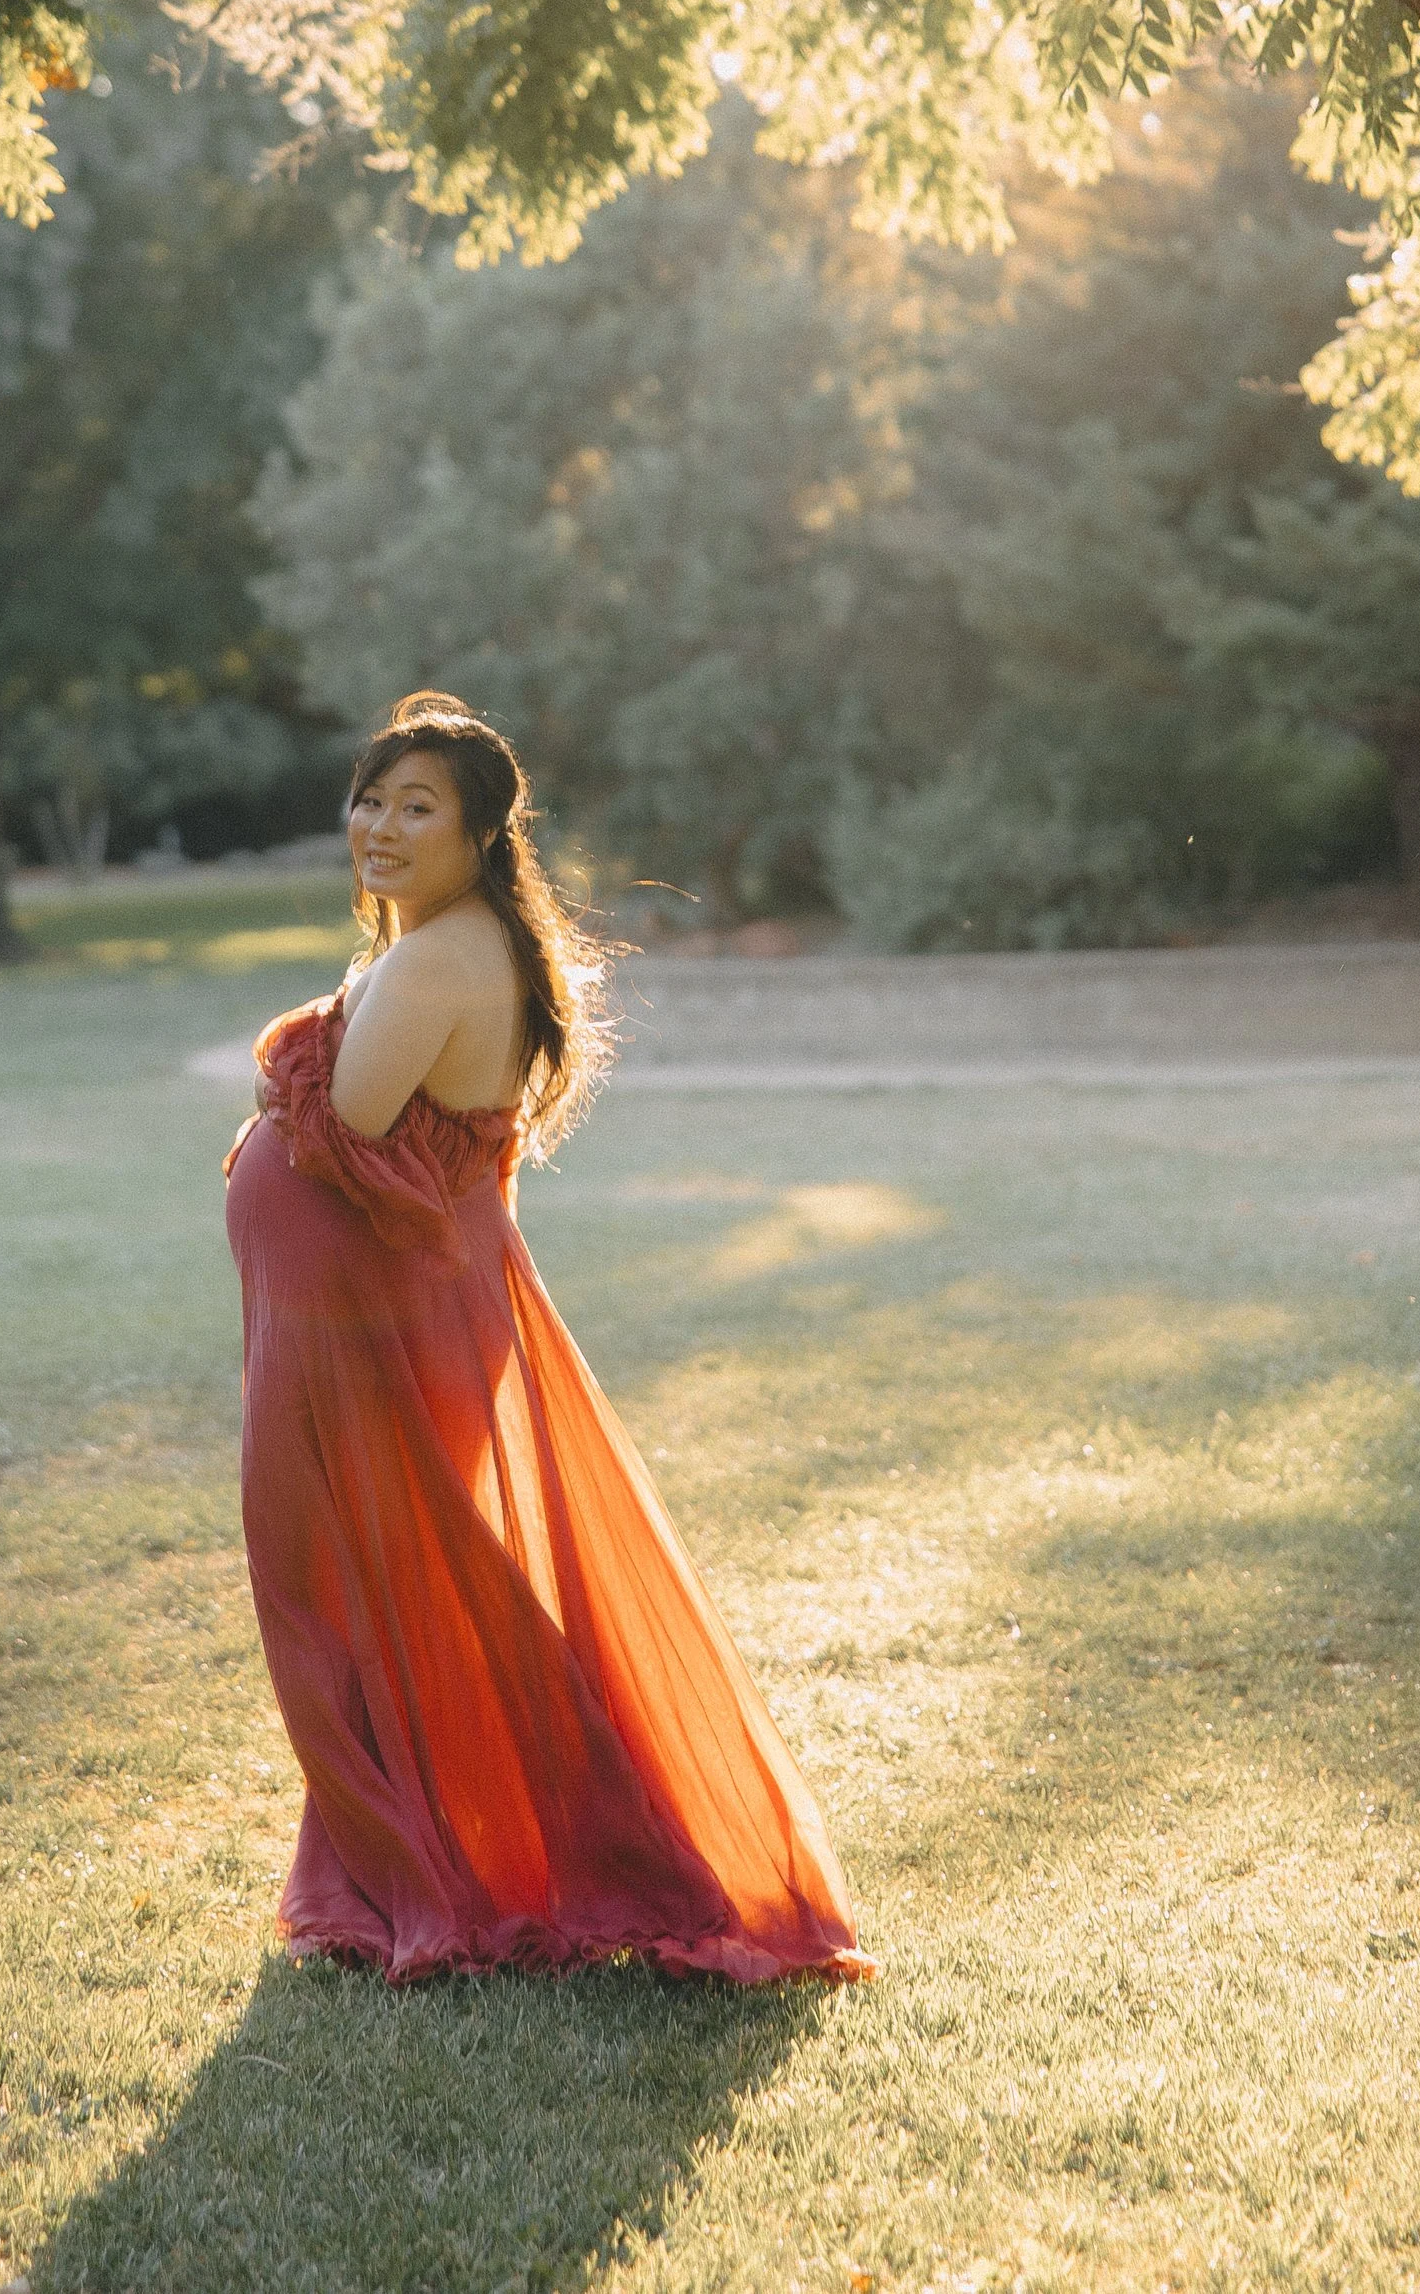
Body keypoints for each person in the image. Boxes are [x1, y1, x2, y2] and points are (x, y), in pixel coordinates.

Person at [223, 693, 869, 1985]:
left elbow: (349, 1115)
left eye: (420, 807)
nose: (384, 825)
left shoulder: (434, 956)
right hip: (372, 1318)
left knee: (344, 1596)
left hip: (368, 1335)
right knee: (396, 1597)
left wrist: (279, 1061)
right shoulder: (459, 942)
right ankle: (407, 1862)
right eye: (373, 796)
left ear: (478, 835)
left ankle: (519, 1863)